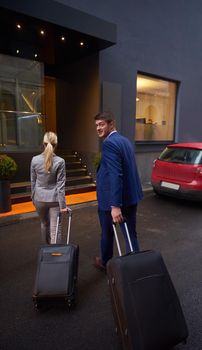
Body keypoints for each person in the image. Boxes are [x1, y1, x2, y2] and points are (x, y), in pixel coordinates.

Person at [94, 111, 143, 270]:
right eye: (96, 125)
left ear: (111, 124)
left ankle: (105, 262)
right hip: (130, 198)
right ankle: (135, 267)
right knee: (131, 235)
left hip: (112, 201)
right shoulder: (125, 141)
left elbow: (116, 174)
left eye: (102, 124)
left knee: (107, 234)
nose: (98, 128)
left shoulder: (108, 144)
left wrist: (115, 206)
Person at [30, 131, 68, 244]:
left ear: (43, 144)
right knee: (55, 229)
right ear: (56, 144)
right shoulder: (60, 161)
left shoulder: (34, 160)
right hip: (54, 200)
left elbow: (33, 181)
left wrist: (33, 198)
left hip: (39, 198)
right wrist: (63, 206)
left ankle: (46, 252)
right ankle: (55, 256)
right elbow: (60, 185)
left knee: (44, 224)